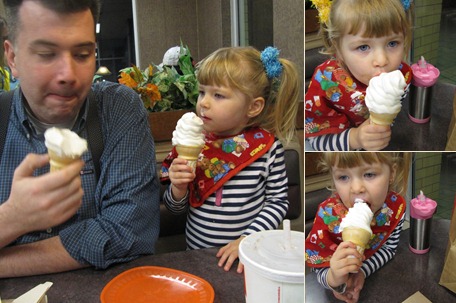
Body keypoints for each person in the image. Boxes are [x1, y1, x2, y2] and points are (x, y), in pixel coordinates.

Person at [0, 0, 160, 278]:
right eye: (47, 54)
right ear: (12, 58)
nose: (68, 75)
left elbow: (128, 231)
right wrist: (12, 218)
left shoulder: (118, 109)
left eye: (83, 54)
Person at [160, 46, 299, 273]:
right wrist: (178, 188)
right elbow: (175, 210)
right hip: (197, 258)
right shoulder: (195, 144)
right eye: (202, 92)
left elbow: (278, 202)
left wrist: (247, 240)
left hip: (246, 260)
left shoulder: (267, 149)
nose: (203, 102)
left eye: (218, 95)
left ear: (254, 106)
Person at [305, 0, 414, 151]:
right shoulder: (326, 82)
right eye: (363, 47)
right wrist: (355, 138)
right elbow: (314, 142)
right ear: (338, 50)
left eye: (392, 43)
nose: (382, 60)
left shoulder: (401, 74)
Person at [305, 152, 410, 303]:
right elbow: (317, 265)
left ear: (391, 173)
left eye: (369, 174)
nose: (356, 188)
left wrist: (361, 271)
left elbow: (389, 249)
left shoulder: (394, 209)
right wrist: (334, 278)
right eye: (343, 177)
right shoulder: (328, 216)